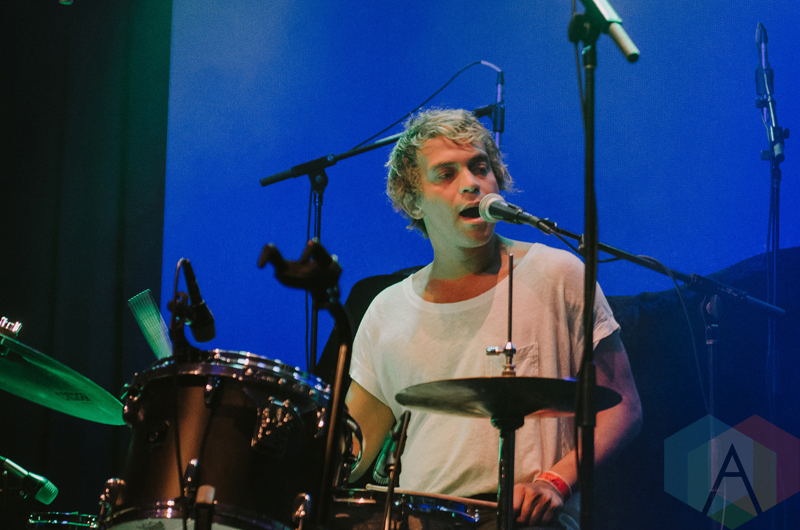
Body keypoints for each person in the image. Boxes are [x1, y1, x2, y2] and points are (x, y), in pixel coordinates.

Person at [344, 108, 642, 529]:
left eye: (480, 167)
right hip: (419, 519)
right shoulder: (386, 309)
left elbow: (623, 407)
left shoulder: (558, 274)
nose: (471, 183)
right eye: (446, 174)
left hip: (528, 520)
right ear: (413, 201)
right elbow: (350, 449)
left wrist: (556, 482)